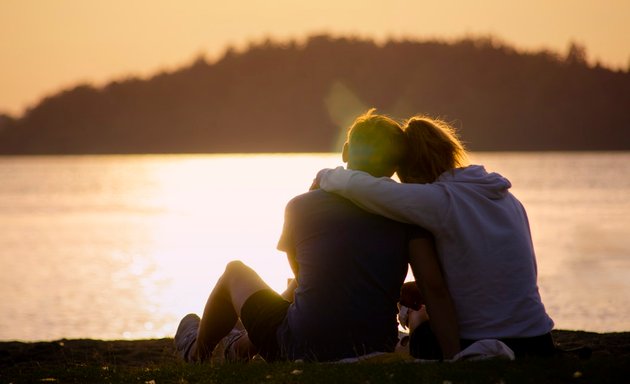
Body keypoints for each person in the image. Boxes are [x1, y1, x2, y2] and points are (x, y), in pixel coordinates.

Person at [174, 110, 460, 362]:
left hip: (301, 348)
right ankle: (240, 346)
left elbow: (303, 278)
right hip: (376, 344)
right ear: (396, 164)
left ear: (346, 152)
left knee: (235, 272)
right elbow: (431, 285)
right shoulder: (407, 213)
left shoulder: (300, 206)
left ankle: (197, 351)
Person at [317, 114, 555, 359]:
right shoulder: (507, 198)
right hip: (538, 340)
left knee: (416, 315)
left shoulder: (439, 199)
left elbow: (363, 187)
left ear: (407, 167)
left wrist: (325, 176)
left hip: (478, 340)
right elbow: (494, 271)